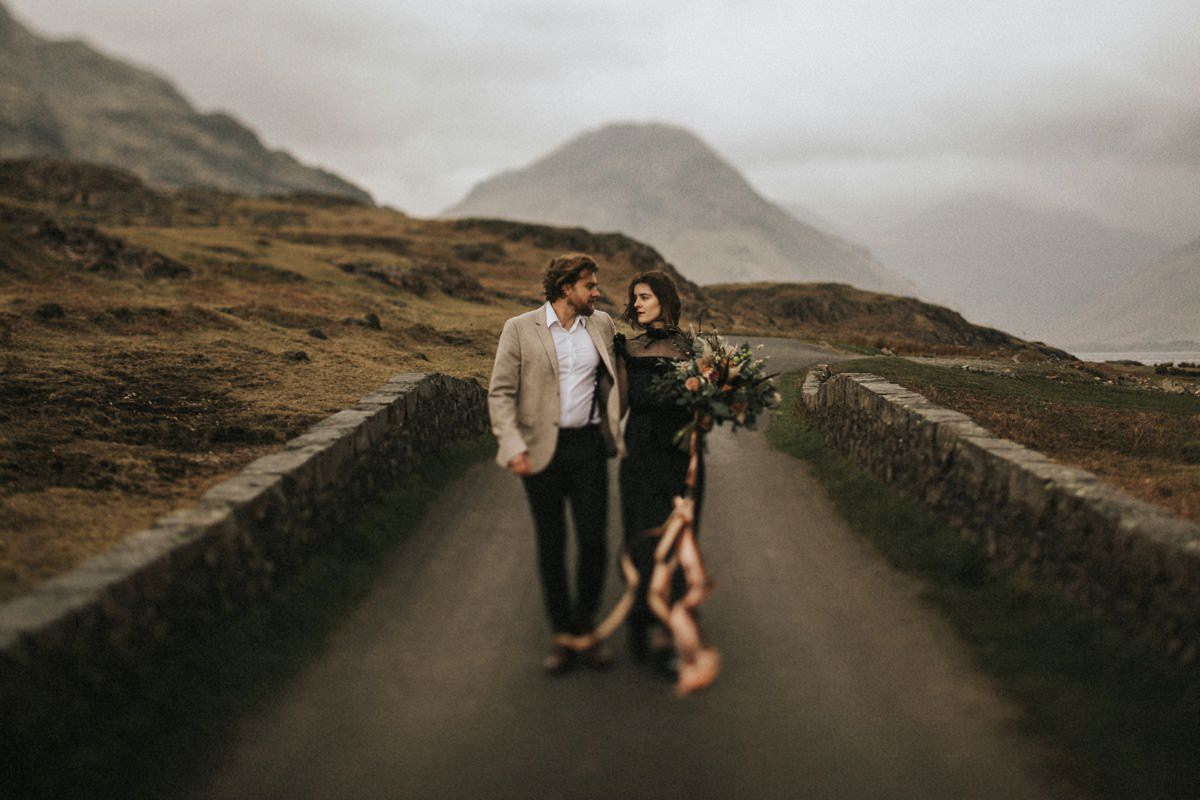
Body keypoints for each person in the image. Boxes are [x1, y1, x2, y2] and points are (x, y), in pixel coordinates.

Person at [488, 253, 623, 674]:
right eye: (590, 285)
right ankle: (562, 635)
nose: (597, 292)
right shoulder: (518, 328)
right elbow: (500, 392)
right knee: (551, 545)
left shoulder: (602, 325)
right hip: (540, 450)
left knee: (594, 541)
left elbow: (620, 378)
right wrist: (513, 446)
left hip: (588, 447)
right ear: (567, 287)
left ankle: (585, 628)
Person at [614, 270, 707, 678]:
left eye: (645, 296)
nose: (637, 303)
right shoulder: (626, 348)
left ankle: (673, 630)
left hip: (681, 453)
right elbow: (617, 404)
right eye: (634, 297)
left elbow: (706, 406)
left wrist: (709, 413)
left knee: (680, 539)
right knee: (642, 538)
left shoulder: (695, 348)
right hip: (639, 452)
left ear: (665, 300)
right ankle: (642, 621)